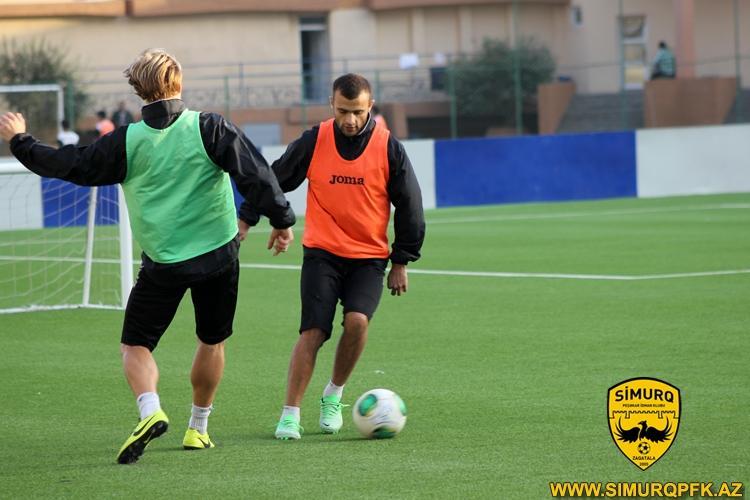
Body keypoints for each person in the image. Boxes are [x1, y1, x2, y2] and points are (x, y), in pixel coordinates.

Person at [0, 48, 296, 463]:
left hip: (165, 262)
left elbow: (68, 164)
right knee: (212, 340)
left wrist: (20, 140)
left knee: (135, 345)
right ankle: (198, 428)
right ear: (179, 82)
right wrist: (282, 220)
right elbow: (257, 175)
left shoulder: (125, 141)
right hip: (219, 254)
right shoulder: (210, 126)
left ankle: (150, 408)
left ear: (138, 90)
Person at [238, 73, 425, 440]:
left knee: (357, 322)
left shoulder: (389, 148)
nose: (350, 120)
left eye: (357, 112)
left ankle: (333, 395)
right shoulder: (315, 139)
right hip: (321, 253)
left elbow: (410, 206)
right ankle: (290, 414)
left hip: (368, 258)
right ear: (331, 105)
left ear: (370, 107)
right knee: (313, 331)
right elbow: (275, 179)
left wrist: (401, 260)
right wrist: (247, 218)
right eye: (342, 111)